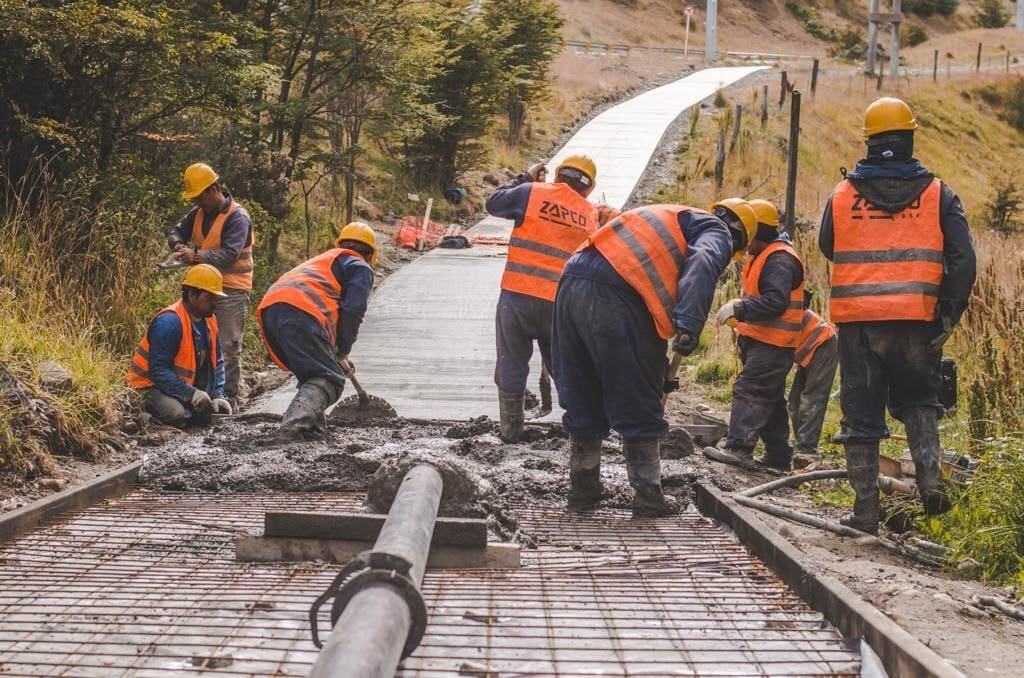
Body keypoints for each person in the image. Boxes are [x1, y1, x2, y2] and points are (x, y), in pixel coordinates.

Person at [820, 97, 976, 534]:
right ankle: (930, 488)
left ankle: (866, 511)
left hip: (858, 324)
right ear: (910, 138)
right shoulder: (938, 194)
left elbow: (827, 246)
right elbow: (963, 260)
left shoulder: (842, 194)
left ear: (869, 142)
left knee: (861, 417)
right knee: (920, 403)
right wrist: (947, 315)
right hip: (916, 320)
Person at [552, 200, 754, 516]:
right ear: (738, 235)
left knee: (583, 393)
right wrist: (689, 323)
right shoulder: (716, 230)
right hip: (619, 296)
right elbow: (702, 260)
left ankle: (582, 491)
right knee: (638, 402)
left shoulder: (669, 215)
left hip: (571, 282)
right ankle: (648, 497)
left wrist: (658, 364)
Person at [485, 155, 600, 442]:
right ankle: (580, 431)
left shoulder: (532, 193)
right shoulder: (590, 215)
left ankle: (511, 431)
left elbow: (494, 202)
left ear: (558, 174)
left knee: (511, 362)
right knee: (565, 367)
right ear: (588, 187)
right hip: (560, 305)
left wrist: (526, 177)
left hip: (517, 296)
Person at [703, 198, 805, 473]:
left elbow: (775, 302)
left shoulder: (779, 258)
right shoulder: (765, 255)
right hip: (764, 341)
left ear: (758, 231)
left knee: (751, 390)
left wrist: (741, 307)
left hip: (773, 343)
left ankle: (739, 448)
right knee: (769, 398)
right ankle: (779, 457)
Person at [257, 222, 377, 439]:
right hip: (300, 311)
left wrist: (335, 353)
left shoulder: (326, 260)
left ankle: (313, 428)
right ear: (370, 255)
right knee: (330, 379)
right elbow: (352, 311)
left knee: (314, 374)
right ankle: (292, 428)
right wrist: (344, 349)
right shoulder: (360, 267)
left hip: (270, 311)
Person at [168, 162, 255, 407]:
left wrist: (195, 256)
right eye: (193, 198)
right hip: (203, 287)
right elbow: (176, 231)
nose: (197, 203)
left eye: (199, 197)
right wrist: (177, 245)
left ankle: (230, 399)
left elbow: (229, 254)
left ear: (213, 188)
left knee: (228, 346)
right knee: (199, 342)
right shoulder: (197, 214)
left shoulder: (237, 217)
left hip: (232, 290)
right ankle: (203, 396)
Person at [126, 265, 231, 428]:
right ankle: (143, 415)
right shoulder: (169, 322)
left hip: (179, 386)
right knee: (177, 414)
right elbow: (158, 371)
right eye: (210, 297)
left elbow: (217, 362)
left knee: (208, 416)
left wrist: (218, 395)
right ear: (191, 294)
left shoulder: (210, 320)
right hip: (148, 386)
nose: (215, 303)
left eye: (216, 297)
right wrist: (191, 394)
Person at [788, 305, 838, 460]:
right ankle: (801, 446)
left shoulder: (764, 311)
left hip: (823, 342)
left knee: (812, 400)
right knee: (794, 402)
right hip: (809, 345)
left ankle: (806, 450)